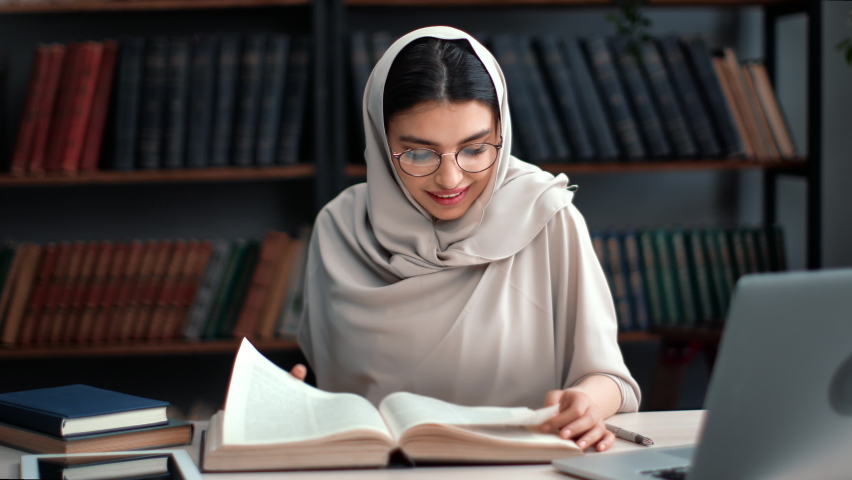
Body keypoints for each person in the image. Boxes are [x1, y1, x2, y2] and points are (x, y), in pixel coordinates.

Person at [289, 26, 640, 453]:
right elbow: (329, 389)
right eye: (418, 153)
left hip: (522, 469)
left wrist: (585, 404)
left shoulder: (547, 216)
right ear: (381, 146)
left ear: (501, 133)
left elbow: (613, 381)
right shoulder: (339, 228)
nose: (450, 179)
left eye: (475, 149)